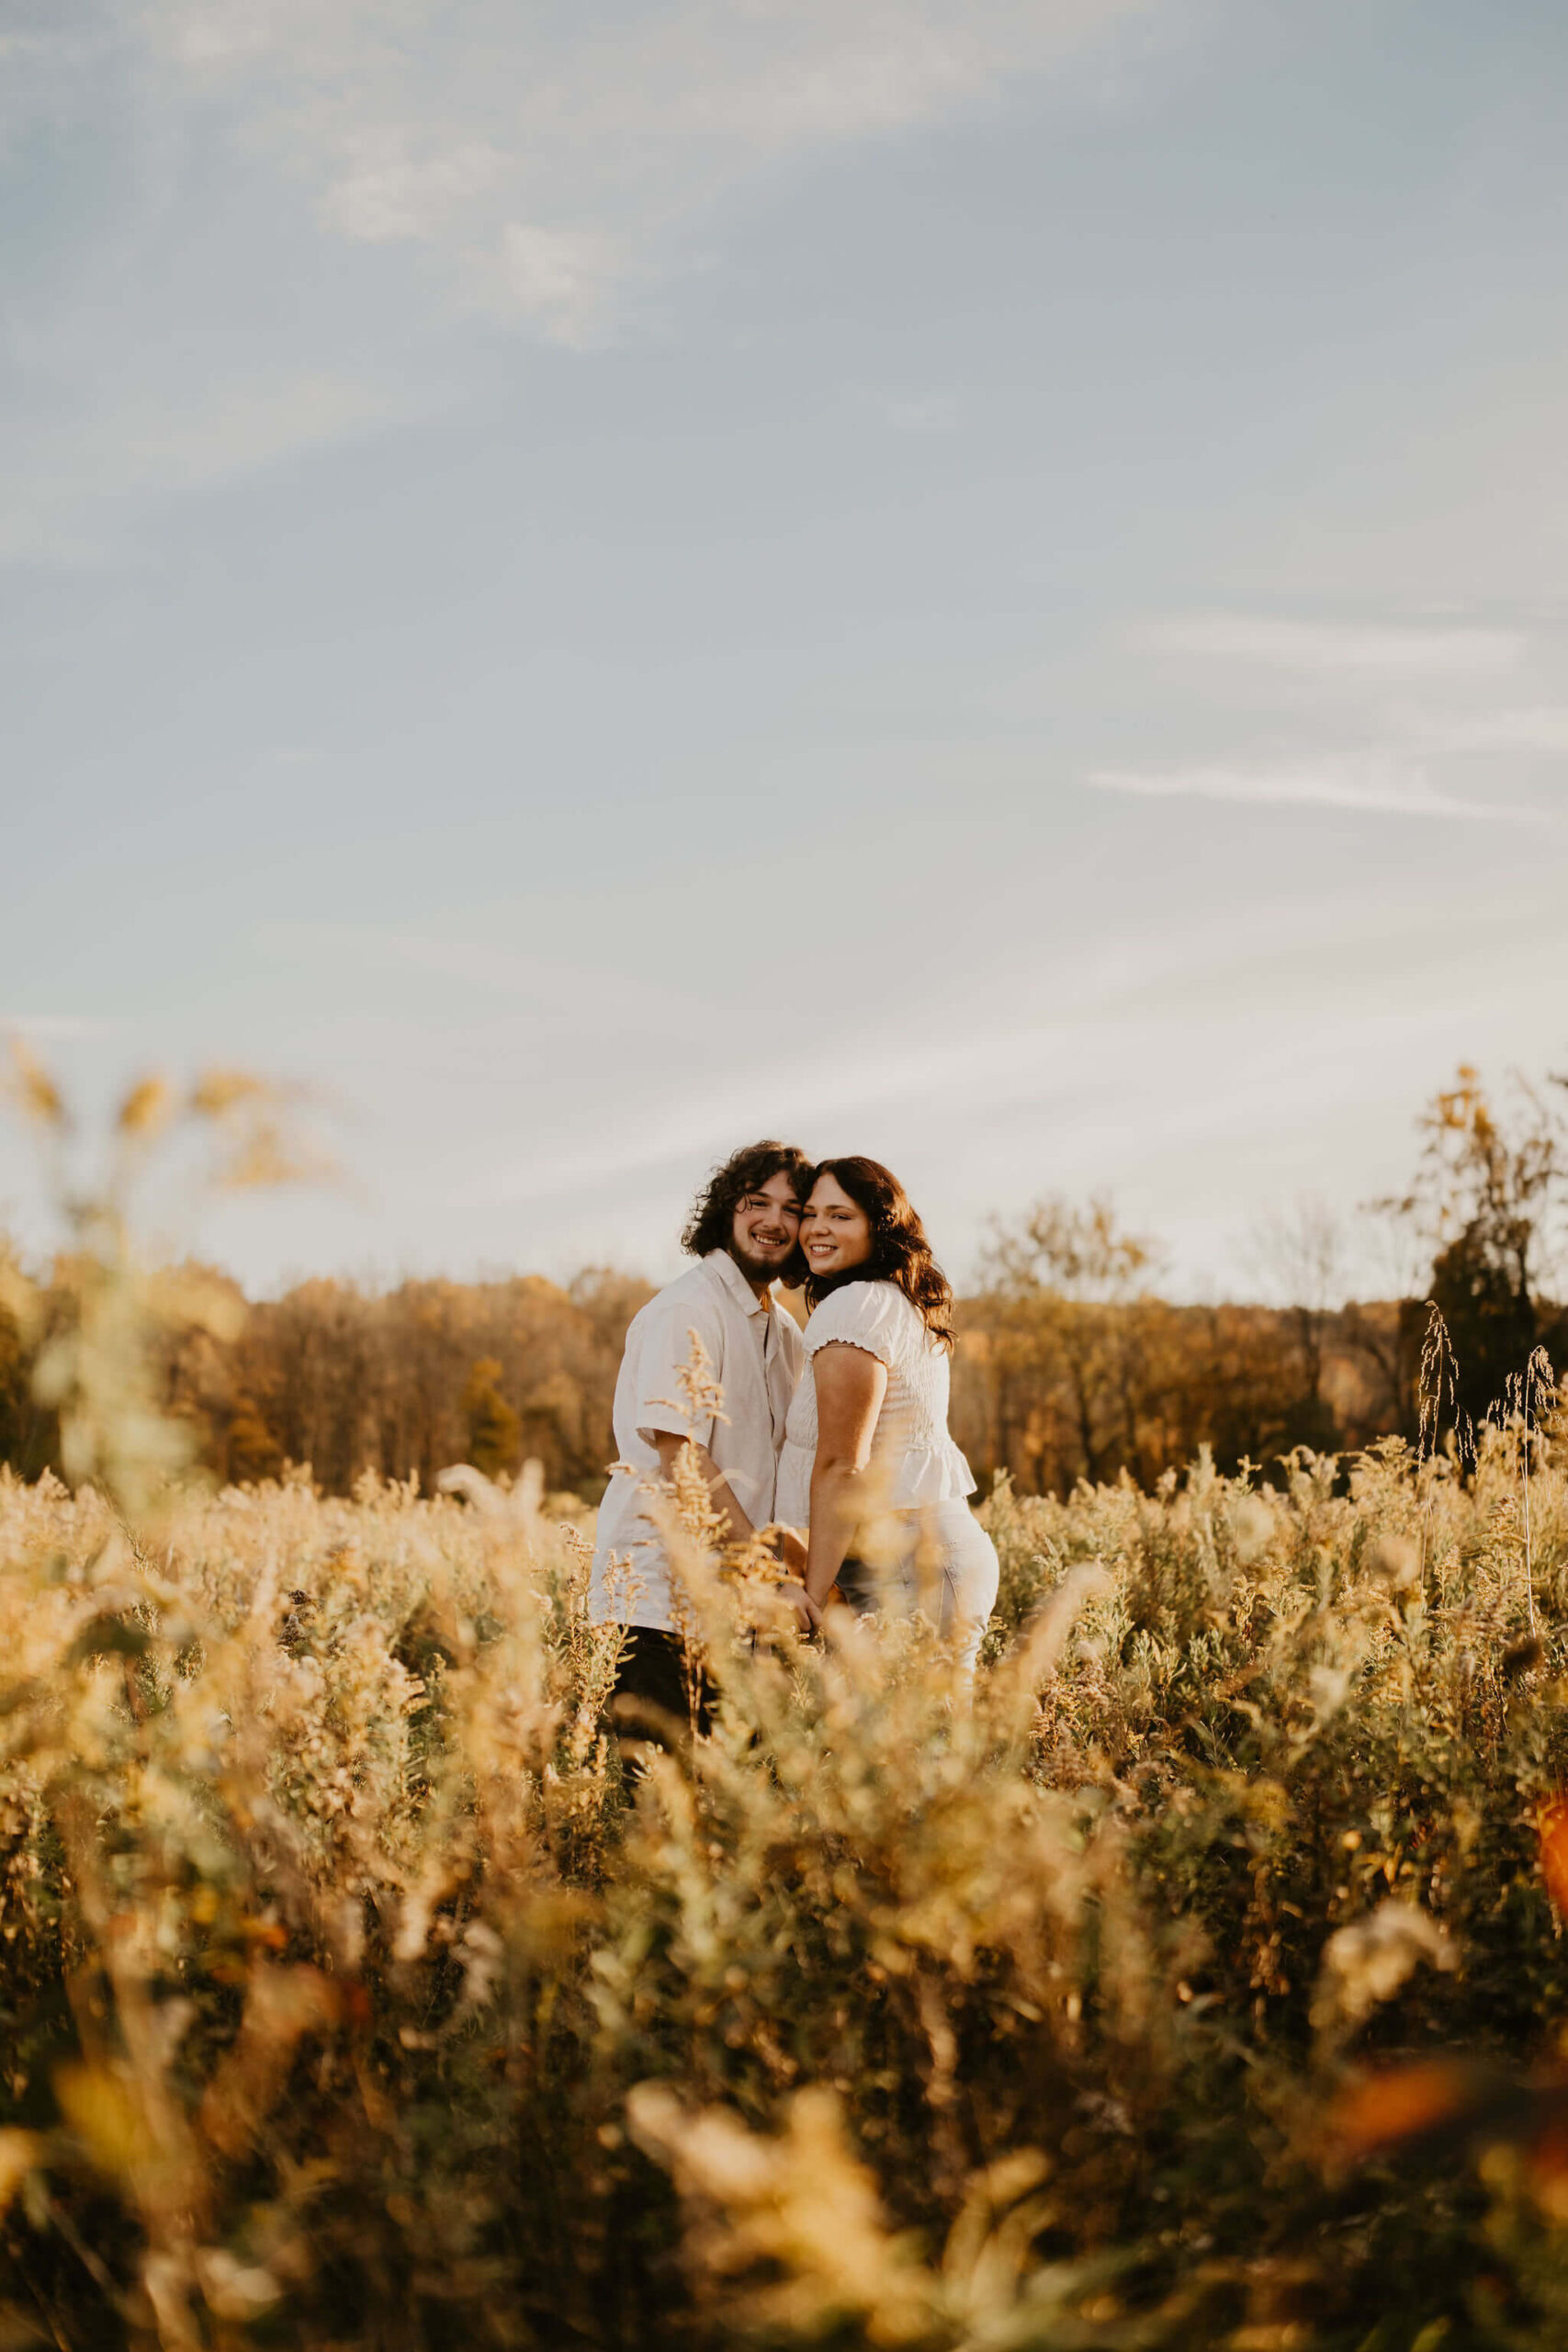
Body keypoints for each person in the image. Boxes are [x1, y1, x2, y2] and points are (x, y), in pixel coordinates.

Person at [591, 1140, 814, 1757]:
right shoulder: (686, 1309)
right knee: (658, 1812)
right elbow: (682, 1462)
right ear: (725, 1211)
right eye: (755, 1202)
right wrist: (770, 1576)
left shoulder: (784, 1331)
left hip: (740, 1604)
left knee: (729, 1807)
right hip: (660, 1601)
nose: (772, 1221)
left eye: (791, 1209)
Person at [776, 1156, 998, 1678]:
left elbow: (841, 1465)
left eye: (840, 1215)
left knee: (905, 1752)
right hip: (917, 1559)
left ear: (880, 1226)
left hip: (907, 1569)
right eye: (810, 1214)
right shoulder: (892, 1301)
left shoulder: (854, 1309)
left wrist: (808, 1597)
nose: (817, 1229)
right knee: (915, 1751)